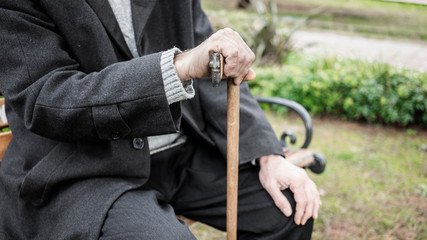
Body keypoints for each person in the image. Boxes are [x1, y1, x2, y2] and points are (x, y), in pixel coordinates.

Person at [0, 0, 321, 239]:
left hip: (177, 153)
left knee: (289, 210)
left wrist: (269, 155)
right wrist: (177, 67)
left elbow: (213, 69)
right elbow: (48, 100)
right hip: (85, 168)